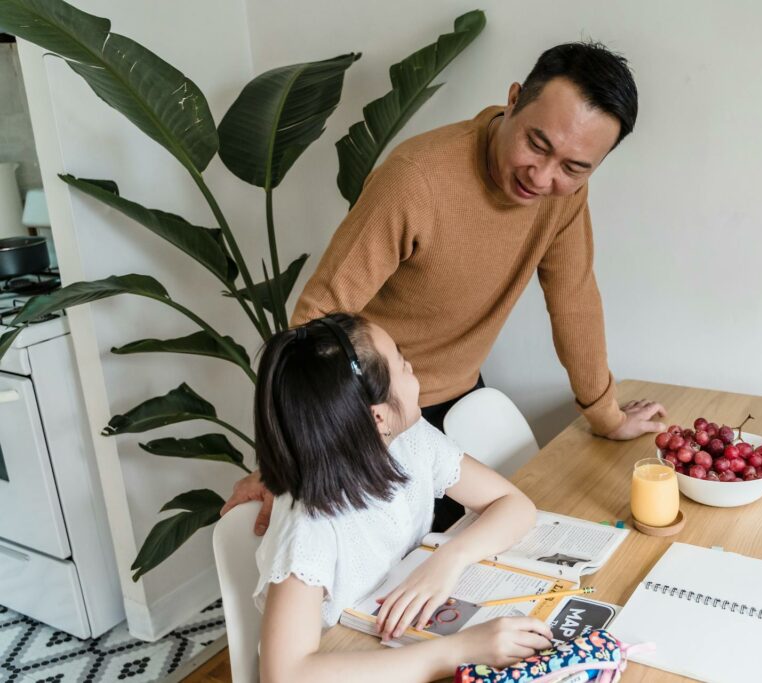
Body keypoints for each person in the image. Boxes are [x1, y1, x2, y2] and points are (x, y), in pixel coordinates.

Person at [222, 41, 667, 533]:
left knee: (473, 565)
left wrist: (605, 414)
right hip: (371, 412)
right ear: (514, 99)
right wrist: (280, 459)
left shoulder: (565, 197)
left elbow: (574, 300)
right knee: (383, 586)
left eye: (573, 167)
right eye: (536, 145)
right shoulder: (417, 180)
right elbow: (317, 316)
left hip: (461, 402)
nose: (542, 178)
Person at [254, 313, 553, 682]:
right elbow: (284, 675)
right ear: (378, 417)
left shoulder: (411, 441)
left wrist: (450, 558)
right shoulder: (308, 528)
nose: (411, 366)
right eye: (400, 361)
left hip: (398, 644)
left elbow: (515, 505)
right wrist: (458, 651)